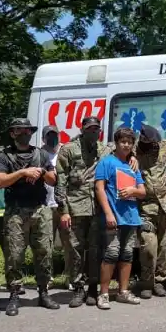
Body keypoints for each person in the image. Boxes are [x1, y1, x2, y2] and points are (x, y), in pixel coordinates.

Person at [0, 118, 59, 314]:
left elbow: (53, 180)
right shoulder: (4, 155)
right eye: (19, 131)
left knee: (44, 253)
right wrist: (22, 173)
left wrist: (40, 172)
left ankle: (43, 292)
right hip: (15, 210)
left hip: (40, 209)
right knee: (14, 255)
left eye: (27, 131)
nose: (24, 134)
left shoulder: (41, 154)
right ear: (12, 133)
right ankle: (14, 293)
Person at [55, 116, 112, 307]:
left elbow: (126, 149)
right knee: (75, 251)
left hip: (97, 209)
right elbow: (60, 182)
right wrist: (63, 211)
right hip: (75, 208)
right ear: (82, 129)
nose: (93, 132)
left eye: (96, 129)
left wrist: (134, 157)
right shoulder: (69, 150)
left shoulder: (104, 149)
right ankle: (78, 288)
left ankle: (93, 289)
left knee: (96, 250)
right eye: (89, 129)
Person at [94, 127, 147, 309]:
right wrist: (108, 213)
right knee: (111, 254)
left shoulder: (133, 165)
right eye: (123, 141)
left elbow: (143, 192)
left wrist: (133, 190)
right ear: (116, 143)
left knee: (127, 255)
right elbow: (99, 189)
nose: (126, 145)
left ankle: (123, 292)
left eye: (129, 142)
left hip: (131, 218)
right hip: (113, 217)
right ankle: (104, 294)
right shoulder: (106, 163)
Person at [135, 124, 166, 299]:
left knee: (164, 246)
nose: (155, 146)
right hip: (145, 207)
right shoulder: (133, 151)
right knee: (148, 246)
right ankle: (146, 282)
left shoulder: (164, 145)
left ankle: (159, 281)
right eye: (151, 143)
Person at [41, 125, 71, 283]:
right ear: (43, 138)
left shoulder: (66, 151)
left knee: (69, 242)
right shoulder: (40, 154)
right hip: (46, 204)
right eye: (48, 136)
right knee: (46, 244)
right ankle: (48, 277)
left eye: (54, 135)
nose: (52, 138)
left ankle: (69, 277)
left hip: (65, 204)